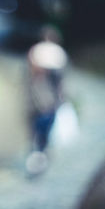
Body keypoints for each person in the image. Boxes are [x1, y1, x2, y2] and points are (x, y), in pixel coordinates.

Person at [25, 25, 67, 174]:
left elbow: (28, 78)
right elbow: (61, 82)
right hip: (48, 102)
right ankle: (40, 154)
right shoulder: (58, 54)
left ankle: (36, 154)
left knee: (36, 131)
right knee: (45, 131)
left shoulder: (35, 52)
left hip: (36, 102)